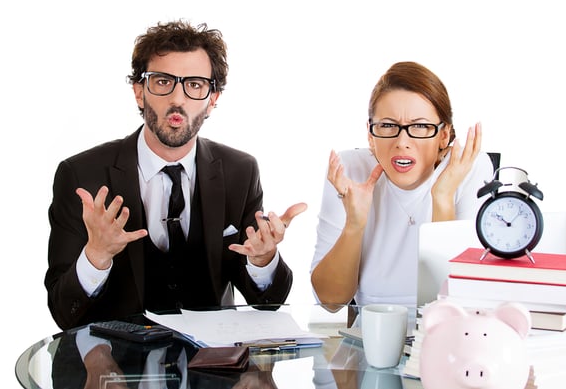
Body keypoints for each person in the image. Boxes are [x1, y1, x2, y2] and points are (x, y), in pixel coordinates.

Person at [45, 20, 307, 330]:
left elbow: (267, 304)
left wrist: (262, 260)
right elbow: (64, 314)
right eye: (162, 81)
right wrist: (96, 256)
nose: (178, 99)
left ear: (212, 99)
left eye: (194, 84)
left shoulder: (240, 171)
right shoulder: (81, 176)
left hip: (211, 370)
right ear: (139, 91)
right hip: (115, 367)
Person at [310, 61, 493, 308]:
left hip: (446, 334)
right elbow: (330, 301)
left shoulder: (467, 166)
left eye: (420, 126)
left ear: (444, 135)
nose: (402, 141)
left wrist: (443, 196)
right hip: (372, 334)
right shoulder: (350, 170)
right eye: (387, 126)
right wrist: (354, 224)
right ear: (370, 135)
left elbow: (458, 301)